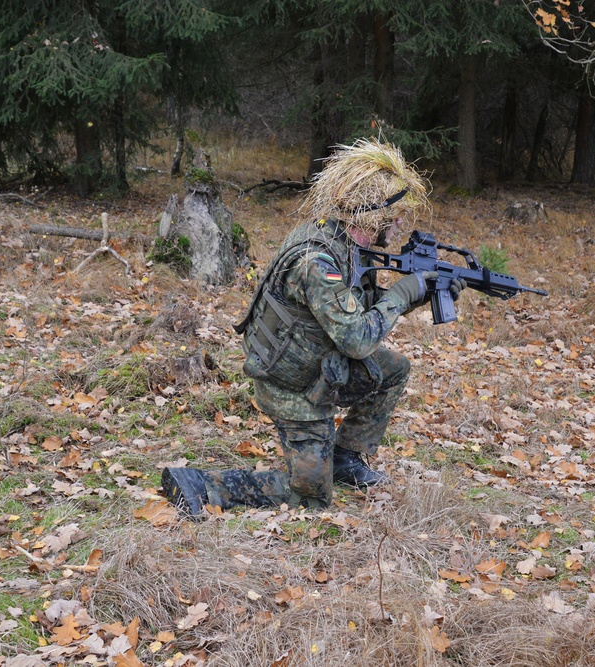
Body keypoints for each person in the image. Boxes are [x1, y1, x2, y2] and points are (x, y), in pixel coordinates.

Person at [162, 138, 464, 518]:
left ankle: (344, 458)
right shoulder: (318, 261)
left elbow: (356, 312)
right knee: (310, 498)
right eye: (397, 216)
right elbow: (356, 339)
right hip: (290, 387)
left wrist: (420, 294)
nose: (401, 225)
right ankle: (199, 484)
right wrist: (404, 293)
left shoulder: (343, 242)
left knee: (394, 369)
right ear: (372, 216)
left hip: (317, 366)